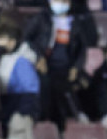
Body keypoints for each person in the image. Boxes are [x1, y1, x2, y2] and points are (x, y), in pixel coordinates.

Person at [23, 0, 96, 128]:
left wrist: (76, 67)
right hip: (45, 66)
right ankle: (50, 120)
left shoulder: (76, 22)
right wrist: (38, 57)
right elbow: (26, 40)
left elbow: (82, 48)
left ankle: (73, 119)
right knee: (49, 87)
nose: (60, 4)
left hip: (66, 67)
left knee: (82, 83)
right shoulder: (41, 19)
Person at [0, 23, 39, 139]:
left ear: (12, 41)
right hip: (12, 108)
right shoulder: (7, 58)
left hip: (20, 110)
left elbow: (30, 88)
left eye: (1, 38)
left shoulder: (21, 60)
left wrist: (22, 112)